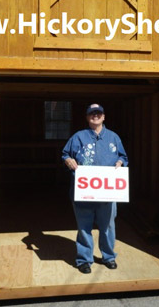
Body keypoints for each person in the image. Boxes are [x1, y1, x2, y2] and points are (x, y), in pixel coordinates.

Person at [62, 103, 128, 274]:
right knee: (84, 227)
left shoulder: (113, 137)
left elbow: (123, 156)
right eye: (92, 114)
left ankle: (108, 257)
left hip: (107, 192)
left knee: (107, 226)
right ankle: (84, 260)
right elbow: (65, 154)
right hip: (84, 192)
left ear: (104, 117)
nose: (95, 116)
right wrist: (68, 160)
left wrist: (120, 162)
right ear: (87, 117)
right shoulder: (78, 137)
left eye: (99, 113)